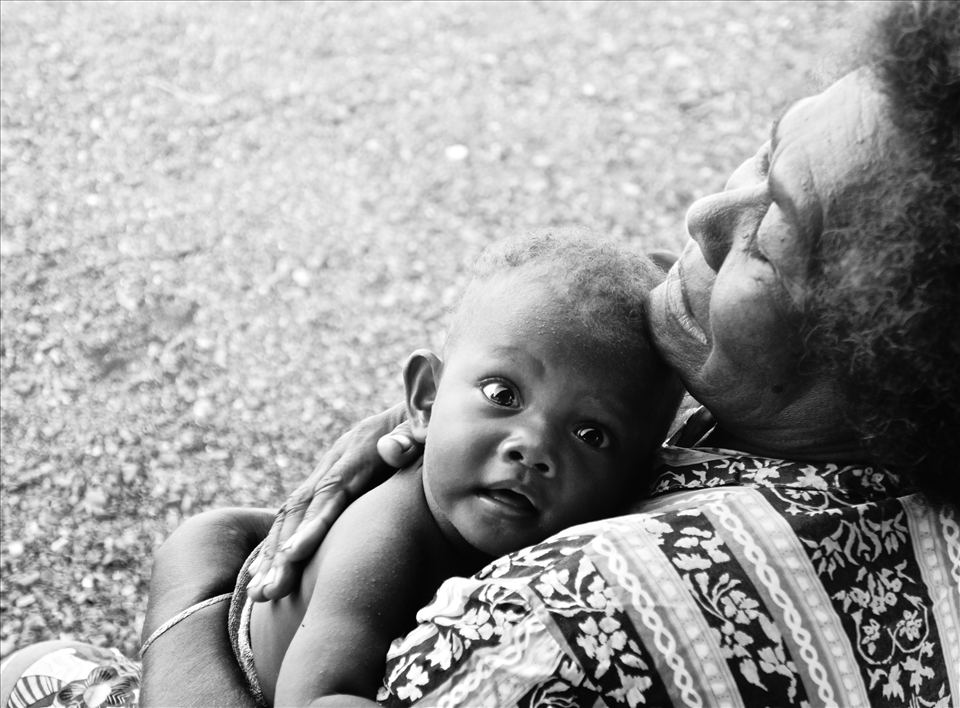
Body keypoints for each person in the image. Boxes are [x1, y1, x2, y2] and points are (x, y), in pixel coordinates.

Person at [3, 2, 957, 707]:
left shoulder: (560, 632)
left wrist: (192, 565)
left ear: (884, 354)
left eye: (771, 234)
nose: (704, 214)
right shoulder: (883, 469)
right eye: (763, 148)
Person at [146, 229, 683, 708]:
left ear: (638, 476)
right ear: (425, 400)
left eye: (591, 434)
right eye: (503, 394)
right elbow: (316, 697)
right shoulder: (385, 539)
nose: (533, 447)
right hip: (246, 675)